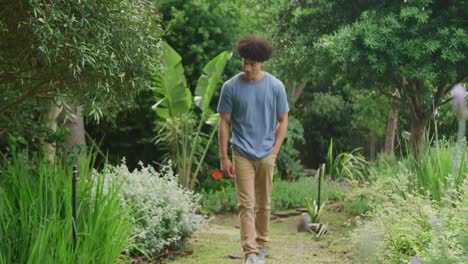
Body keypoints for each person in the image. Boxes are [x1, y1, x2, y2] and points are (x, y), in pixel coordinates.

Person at [217, 35, 289, 264]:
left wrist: (275, 151)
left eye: (252, 64)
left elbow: (283, 120)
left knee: (263, 204)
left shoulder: (276, 86)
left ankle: (262, 244)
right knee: (245, 204)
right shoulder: (231, 87)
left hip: (267, 154)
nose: (247, 68)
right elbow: (224, 122)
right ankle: (250, 253)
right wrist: (224, 157)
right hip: (241, 153)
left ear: (262, 63)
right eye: (244, 63)